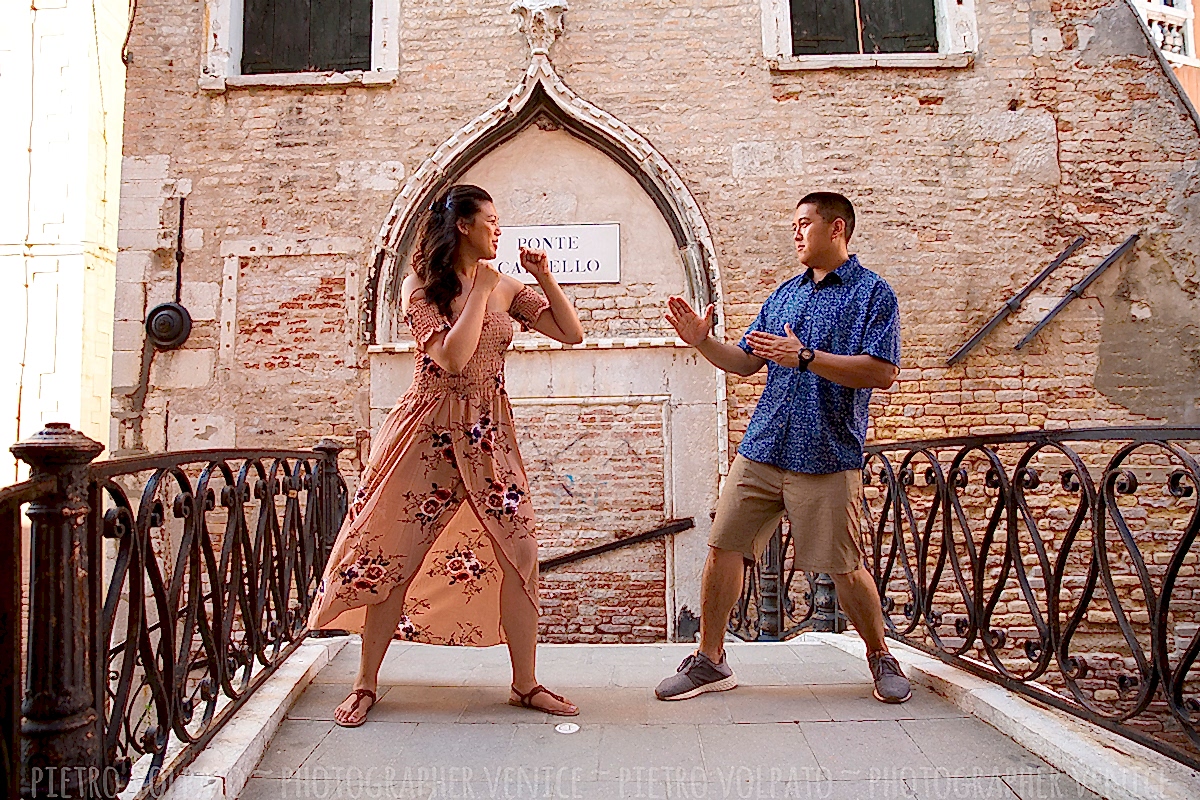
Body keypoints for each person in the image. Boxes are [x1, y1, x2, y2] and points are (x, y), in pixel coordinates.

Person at [309, 184, 585, 726]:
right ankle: (366, 684)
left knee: (520, 551)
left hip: (488, 432)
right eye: (491, 220)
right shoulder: (424, 288)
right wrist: (480, 293)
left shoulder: (505, 285)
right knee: (393, 554)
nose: (498, 230)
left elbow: (570, 333)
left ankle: (525, 684)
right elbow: (453, 359)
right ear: (463, 226)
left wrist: (544, 277)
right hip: (427, 430)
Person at [655, 192, 911, 704]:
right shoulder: (785, 294)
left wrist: (809, 357)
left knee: (843, 566)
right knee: (722, 548)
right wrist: (702, 342)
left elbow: (881, 371)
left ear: (836, 229)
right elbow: (747, 361)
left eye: (804, 224)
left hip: (826, 453)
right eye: (793, 225)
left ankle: (879, 654)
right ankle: (711, 659)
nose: (796, 234)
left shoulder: (872, 294)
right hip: (763, 447)